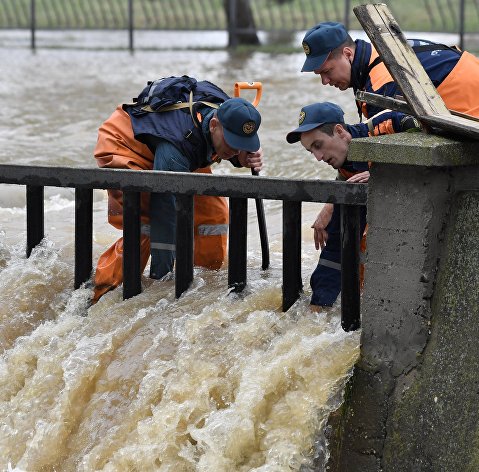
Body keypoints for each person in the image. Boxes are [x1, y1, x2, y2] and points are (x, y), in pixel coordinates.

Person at [93, 76, 263, 303]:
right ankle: (102, 293)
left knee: (213, 214)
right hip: (125, 144)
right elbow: (164, 211)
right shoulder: (178, 146)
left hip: (181, 153)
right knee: (146, 226)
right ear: (214, 126)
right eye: (232, 143)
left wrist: (242, 157)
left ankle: (204, 285)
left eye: (242, 143)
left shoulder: (225, 112)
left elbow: (222, 144)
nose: (235, 148)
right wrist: (163, 286)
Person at [286, 101, 418, 310]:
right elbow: (335, 251)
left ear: (339, 131)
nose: (318, 158)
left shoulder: (390, 123)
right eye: (311, 151)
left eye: (318, 145)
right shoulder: (345, 164)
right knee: (335, 240)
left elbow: (434, 143)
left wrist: (384, 171)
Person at [299, 21, 479, 120]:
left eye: (327, 71)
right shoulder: (381, 51)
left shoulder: (381, 84)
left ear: (347, 54)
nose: (325, 81)